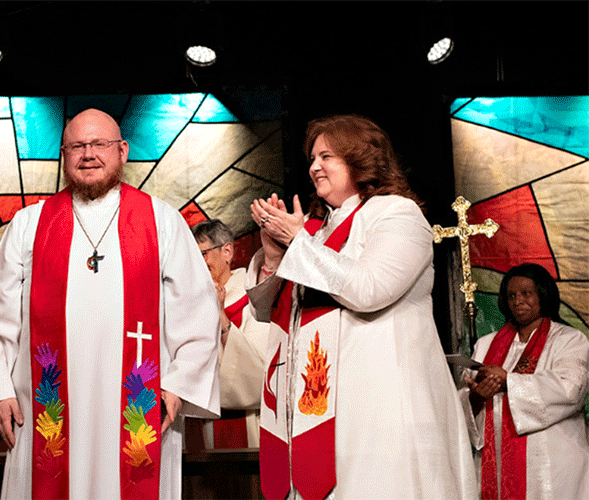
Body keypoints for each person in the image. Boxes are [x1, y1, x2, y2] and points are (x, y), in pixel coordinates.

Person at [0, 108, 220, 499]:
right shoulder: (29, 225)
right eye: (77, 146)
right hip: (45, 410)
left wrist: (178, 386)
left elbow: (199, 313)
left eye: (100, 144)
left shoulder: (162, 222)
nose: (89, 154)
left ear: (122, 151)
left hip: (138, 409)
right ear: (64, 155)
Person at [248, 114, 477, 500]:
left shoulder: (396, 213)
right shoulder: (320, 229)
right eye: (312, 157)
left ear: (360, 158)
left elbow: (370, 289)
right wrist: (274, 256)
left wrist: (299, 243)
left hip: (383, 399)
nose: (314, 166)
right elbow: (274, 314)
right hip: (322, 408)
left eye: (327, 156)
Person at [464, 263, 589, 500]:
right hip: (495, 463)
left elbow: (570, 389)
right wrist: (475, 397)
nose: (518, 301)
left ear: (543, 294)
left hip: (549, 465)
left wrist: (508, 380)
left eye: (526, 293)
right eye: (511, 295)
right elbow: (462, 395)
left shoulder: (569, 340)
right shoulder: (486, 344)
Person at [192, 219, 268, 449]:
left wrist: (221, 316)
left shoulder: (254, 297)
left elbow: (257, 374)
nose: (196, 264)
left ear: (227, 251)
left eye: (202, 254)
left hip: (243, 423)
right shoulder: (186, 302)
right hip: (194, 424)